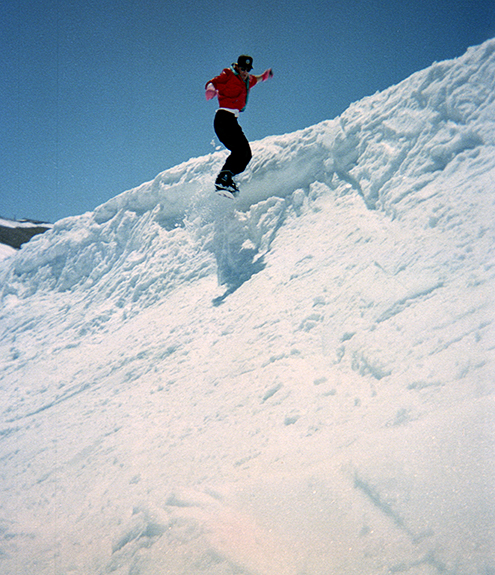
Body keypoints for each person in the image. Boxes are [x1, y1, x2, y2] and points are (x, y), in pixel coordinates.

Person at [205, 55, 273, 195]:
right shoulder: (228, 74)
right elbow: (213, 82)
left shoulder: (248, 80)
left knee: (245, 154)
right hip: (223, 118)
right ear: (237, 66)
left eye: (247, 69)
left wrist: (265, 76)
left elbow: (257, 78)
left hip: (231, 120)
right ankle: (223, 179)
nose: (245, 71)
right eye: (242, 68)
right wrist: (210, 89)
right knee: (241, 151)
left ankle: (226, 179)